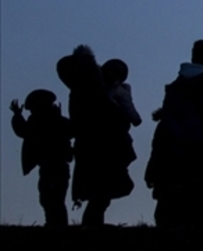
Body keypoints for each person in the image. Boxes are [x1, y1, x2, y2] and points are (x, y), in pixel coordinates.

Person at [145, 40, 203, 228]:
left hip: (175, 155)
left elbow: (164, 129)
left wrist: (154, 165)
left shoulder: (176, 87)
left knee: (172, 210)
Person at [56, 45, 136, 226]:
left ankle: (93, 225)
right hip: (100, 146)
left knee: (100, 194)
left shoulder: (92, 90)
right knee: (100, 193)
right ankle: (92, 226)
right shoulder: (91, 89)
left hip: (99, 145)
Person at [10, 90, 73, 227]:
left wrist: (17, 115)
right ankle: (56, 225)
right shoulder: (59, 121)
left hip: (53, 167)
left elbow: (22, 130)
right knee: (51, 198)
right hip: (54, 167)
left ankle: (56, 226)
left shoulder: (41, 123)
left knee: (52, 199)